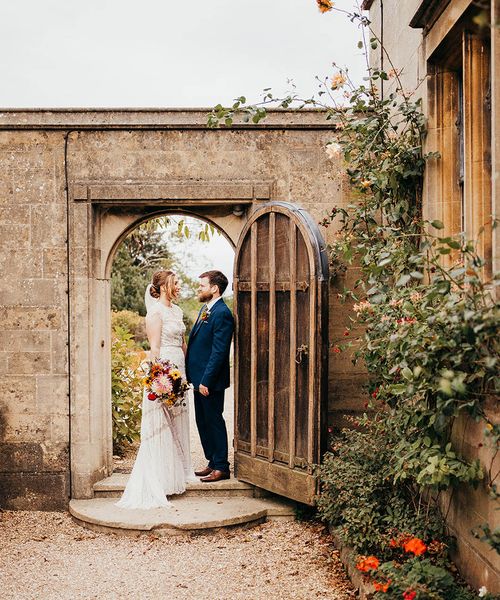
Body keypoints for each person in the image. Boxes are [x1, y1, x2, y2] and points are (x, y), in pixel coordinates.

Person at [116, 270, 194, 509]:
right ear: (162, 287)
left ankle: (175, 477)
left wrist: (186, 373)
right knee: (161, 426)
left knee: (177, 424)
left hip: (179, 370)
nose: (178, 286)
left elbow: (182, 344)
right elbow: (155, 348)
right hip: (164, 372)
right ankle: (159, 480)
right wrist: (159, 380)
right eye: (175, 283)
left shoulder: (178, 311)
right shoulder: (155, 313)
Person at [186, 270, 234, 483]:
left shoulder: (222, 313)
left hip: (209, 381)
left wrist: (206, 380)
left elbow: (219, 351)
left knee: (213, 420)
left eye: (202, 285)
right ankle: (212, 461)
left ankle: (222, 467)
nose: (200, 289)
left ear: (214, 288)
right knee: (202, 420)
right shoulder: (206, 309)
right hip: (199, 379)